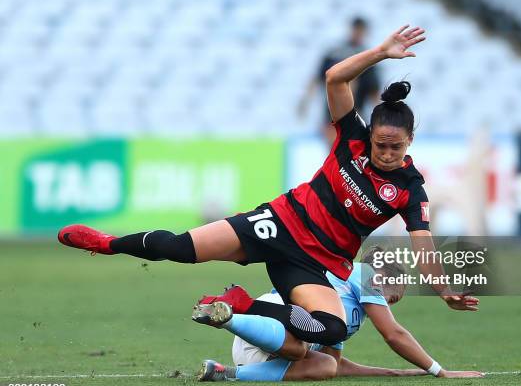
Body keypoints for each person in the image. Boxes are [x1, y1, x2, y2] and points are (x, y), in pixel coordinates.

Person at [57, 24, 477, 351]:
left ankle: (242, 303)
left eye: (395, 147)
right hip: (278, 223)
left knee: (331, 331)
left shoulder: (411, 188)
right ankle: (107, 243)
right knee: (180, 249)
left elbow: (422, 242)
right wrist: (380, 54)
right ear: (370, 137)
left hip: (317, 262)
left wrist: (442, 289)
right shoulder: (352, 136)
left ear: (410, 142)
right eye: (380, 144)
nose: (385, 152)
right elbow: (334, 79)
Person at [192, 249, 483, 381]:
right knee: (298, 348)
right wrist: (438, 371)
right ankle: (232, 316)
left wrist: (403, 372)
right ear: (382, 275)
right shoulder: (365, 274)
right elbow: (393, 334)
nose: (392, 303)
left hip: (256, 356)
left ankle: (227, 372)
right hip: (272, 324)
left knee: (326, 367)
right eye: (396, 293)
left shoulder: (348, 310)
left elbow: (337, 365)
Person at [298, 17, 381, 145]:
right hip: (332, 114)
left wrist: (381, 116)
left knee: (353, 150)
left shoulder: (368, 58)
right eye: (356, 30)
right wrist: (306, 100)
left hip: (356, 112)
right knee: (334, 151)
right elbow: (317, 78)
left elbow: (374, 90)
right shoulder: (334, 54)